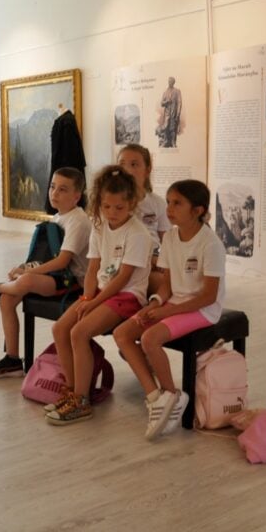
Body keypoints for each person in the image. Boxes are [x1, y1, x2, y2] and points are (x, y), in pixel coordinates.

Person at [113, 180, 226, 439]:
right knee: (123, 333)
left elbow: (208, 297)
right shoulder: (171, 237)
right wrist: (155, 303)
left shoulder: (211, 244)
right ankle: (156, 397)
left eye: (177, 203)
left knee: (150, 338)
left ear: (197, 210)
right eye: (168, 202)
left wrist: (167, 312)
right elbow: (167, 284)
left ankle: (173, 394)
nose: (169, 208)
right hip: (175, 303)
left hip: (203, 309)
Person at [45, 166, 153, 425]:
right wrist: (86, 298)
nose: (112, 213)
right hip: (102, 293)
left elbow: (123, 278)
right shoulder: (99, 225)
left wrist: (94, 302)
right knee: (60, 329)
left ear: (131, 203)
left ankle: (81, 402)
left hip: (127, 296)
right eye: (106, 207)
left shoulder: (138, 233)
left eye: (119, 207)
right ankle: (73, 391)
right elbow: (93, 268)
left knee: (79, 333)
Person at [0, 167, 91, 378]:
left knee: (24, 282)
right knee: (8, 299)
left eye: (62, 189)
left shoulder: (78, 221)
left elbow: (62, 261)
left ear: (76, 196)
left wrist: (26, 275)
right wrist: (24, 268)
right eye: (52, 187)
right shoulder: (58, 218)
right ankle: (12, 360)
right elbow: (46, 258)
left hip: (74, 283)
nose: (54, 193)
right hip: (57, 277)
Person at [117, 143, 171, 291]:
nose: (127, 170)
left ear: (147, 170)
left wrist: (160, 259)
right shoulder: (111, 205)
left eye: (134, 164)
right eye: (122, 164)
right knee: (165, 284)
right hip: (124, 263)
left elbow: (167, 241)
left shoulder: (158, 203)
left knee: (179, 280)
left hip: (153, 262)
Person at [156, 77, 182, 147]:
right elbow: (162, 103)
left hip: (174, 113)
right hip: (167, 113)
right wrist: (166, 101)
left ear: (173, 82)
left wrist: (178, 113)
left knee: (173, 128)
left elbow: (179, 103)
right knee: (166, 127)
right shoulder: (165, 92)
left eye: (171, 81)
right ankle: (166, 141)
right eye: (169, 81)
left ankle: (173, 142)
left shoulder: (177, 91)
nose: (169, 83)